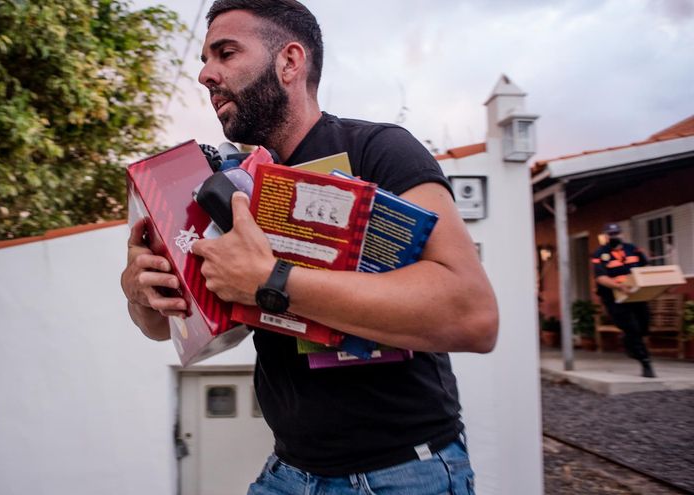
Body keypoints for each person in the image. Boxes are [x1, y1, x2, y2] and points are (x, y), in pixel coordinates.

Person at [120, 0, 499, 493]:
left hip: (406, 473)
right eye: (204, 60)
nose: (205, 75)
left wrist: (272, 282)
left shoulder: (380, 150)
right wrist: (140, 292)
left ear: (290, 62)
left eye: (225, 53)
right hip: (290, 472)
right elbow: (177, 328)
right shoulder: (232, 186)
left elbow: (473, 315)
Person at [591, 223, 656, 378]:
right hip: (614, 298)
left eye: (616, 233)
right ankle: (645, 361)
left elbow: (645, 269)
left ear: (622, 234)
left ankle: (628, 342)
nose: (614, 236)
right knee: (632, 328)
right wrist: (618, 286)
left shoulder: (633, 249)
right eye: (610, 234)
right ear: (606, 236)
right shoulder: (600, 254)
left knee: (644, 325)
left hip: (637, 295)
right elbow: (601, 277)